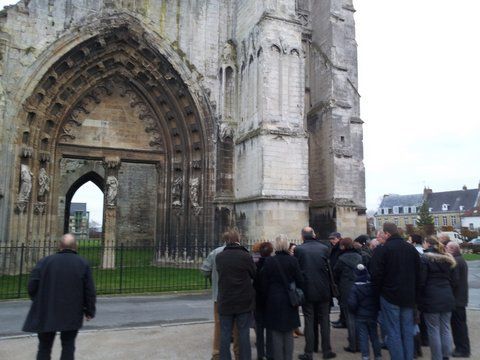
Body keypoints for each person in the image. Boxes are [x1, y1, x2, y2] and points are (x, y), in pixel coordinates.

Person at [22, 233, 96, 360]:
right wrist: (89, 311)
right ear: (75, 247)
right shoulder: (82, 263)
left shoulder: (45, 262)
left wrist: (39, 300)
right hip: (71, 311)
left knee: (44, 347)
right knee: (68, 345)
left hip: (46, 310)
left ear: (59, 246)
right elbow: (89, 291)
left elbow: (32, 286)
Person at [370, 222, 421, 360]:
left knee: (393, 331)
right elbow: (419, 274)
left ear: (387, 234)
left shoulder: (383, 250)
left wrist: (377, 294)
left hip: (389, 296)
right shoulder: (411, 249)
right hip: (408, 296)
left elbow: (376, 275)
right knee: (407, 331)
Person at [294, 227, 336, 360]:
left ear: (302, 236)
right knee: (324, 321)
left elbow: (297, 271)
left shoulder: (299, 250)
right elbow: (329, 269)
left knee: (309, 321)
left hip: (307, 290)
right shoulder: (324, 248)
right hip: (324, 289)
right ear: (313, 235)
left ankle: (309, 352)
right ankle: (327, 350)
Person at [261, 235, 304, 360]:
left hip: (273, 299)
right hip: (290, 299)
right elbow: (300, 281)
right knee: (289, 332)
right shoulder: (293, 261)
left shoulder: (269, 261)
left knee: (276, 332)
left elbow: (264, 284)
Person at [216, 230, 256, 360]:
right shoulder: (245, 256)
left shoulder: (220, 256)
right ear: (239, 240)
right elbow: (254, 274)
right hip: (243, 301)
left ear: (227, 241)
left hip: (225, 300)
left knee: (225, 334)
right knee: (243, 333)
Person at [201, 233, 239, 360]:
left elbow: (204, 270)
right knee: (236, 325)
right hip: (236, 295)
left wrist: (212, 277)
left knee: (219, 324)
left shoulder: (215, 252)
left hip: (219, 295)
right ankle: (238, 353)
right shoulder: (242, 253)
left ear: (224, 240)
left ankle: (217, 353)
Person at [419, 236, 457, 360]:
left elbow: (422, 281)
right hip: (447, 296)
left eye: (423, 242)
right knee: (445, 328)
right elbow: (454, 280)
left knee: (433, 329)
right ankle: (446, 355)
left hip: (431, 297)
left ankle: (437, 357)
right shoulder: (447, 260)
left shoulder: (425, 259)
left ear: (428, 244)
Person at [334, 237, 363, 353]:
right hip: (359, 288)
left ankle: (353, 344)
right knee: (359, 318)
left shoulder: (341, 259)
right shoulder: (360, 257)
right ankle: (360, 343)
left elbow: (336, 274)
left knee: (350, 318)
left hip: (346, 290)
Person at [348, 264, 382, 360]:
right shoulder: (372, 286)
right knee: (374, 336)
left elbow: (352, 303)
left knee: (363, 338)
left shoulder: (354, 288)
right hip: (372, 314)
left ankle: (365, 356)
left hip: (360, 315)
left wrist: (353, 311)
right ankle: (378, 355)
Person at [446, 242, 470, 358]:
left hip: (457, 299)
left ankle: (462, 349)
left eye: (446, 248)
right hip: (460, 298)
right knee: (460, 325)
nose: (444, 249)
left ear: (452, 250)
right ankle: (462, 348)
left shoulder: (456, 261)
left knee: (458, 326)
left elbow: (454, 281)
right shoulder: (460, 259)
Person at [254, 241, 274, 360]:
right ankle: (270, 354)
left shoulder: (255, 265)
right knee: (270, 329)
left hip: (258, 301)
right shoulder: (274, 264)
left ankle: (260, 354)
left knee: (259, 330)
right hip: (270, 301)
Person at [328, 232, 345, 329]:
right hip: (335, 278)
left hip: (339, 278)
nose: (332, 241)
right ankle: (341, 319)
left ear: (338, 238)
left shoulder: (340, 248)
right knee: (340, 301)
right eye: (330, 239)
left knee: (342, 301)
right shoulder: (334, 248)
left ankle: (343, 320)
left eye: (333, 239)